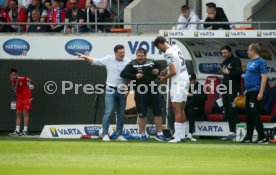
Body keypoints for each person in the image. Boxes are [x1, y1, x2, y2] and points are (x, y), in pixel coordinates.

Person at [76, 44, 131, 142]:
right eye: (120, 52)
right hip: (110, 89)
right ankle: (105, 134)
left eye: (123, 52)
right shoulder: (108, 59)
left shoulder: (128, 60)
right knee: (108, 113)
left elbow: (129, 76)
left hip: (122, 91)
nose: (123, 54)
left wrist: (128, 87)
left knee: (121, 114)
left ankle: (119, 135)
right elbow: (94, 61)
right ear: (115, 53)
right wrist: (85, 57)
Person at [120, 48, 169, 142]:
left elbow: (164, 68)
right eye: (138, 56)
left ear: (145, 55)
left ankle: (159, 134)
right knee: (141, 114)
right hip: (140, 92)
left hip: (153, 90)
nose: (139, 58)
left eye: (141, 56)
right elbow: (123, 74)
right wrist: (135, 76)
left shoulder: (152, 62)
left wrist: (157, 71)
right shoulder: (132, 63)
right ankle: (142, 134)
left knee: (158, 112)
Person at [154, 36, 189, 143]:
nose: (160, 50)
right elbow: (176, 64)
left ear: (160, 44)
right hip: (185, 78)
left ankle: (177, 137)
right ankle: (182, 135)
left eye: (158, 48)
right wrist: (165, 69)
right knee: (180, 108)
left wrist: (162, 79)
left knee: (176, 108)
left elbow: (173, 71)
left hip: (178, 81)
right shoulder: (175, 47)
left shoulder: (168, 53)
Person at [241, 43, 269, 144]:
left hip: (256, 91)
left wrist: (261, 92)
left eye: (248, 50)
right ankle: (248, 137)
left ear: (253, 51)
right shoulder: (249, 62)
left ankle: (262, 137)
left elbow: (264, 77)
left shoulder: (261, 61)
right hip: (249, 91)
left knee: (255, 114)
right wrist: (246, 89)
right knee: (248, 114)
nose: (247, 52)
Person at [219, 45, 242, 141]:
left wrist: (229, 73)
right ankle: (231, 132)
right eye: (222, 53)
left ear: (230, 52)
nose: (223, 55)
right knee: (227, 111)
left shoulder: (236, 61)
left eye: (225, 53)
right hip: (225, 90)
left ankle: (237, 133)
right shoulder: (224, 62)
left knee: (233, 110)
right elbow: (224, 77)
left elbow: (239, 72)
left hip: (233, 89)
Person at [8, 68, 34, 136]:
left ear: (17, 75)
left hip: (27, 97)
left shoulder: (23, 78)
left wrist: (30, 84)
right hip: (19, 98)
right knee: (18, 113)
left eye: (14, 75)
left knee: (25, 112)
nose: (12, 76)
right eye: (11, 75)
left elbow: (31, 80)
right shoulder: (11, 80)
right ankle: (17, 130)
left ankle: (25, 131)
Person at [185, 73, 207, 141]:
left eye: (191, 80)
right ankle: (177, 132)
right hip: (188, 106)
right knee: (179, 110)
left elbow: (204, 97)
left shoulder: (200, 87)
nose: (190, 82)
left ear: (195, 80)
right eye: (189, 80)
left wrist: (193, 95)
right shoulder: (186, 87)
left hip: (199, 108)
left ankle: (190, 134)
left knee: (192, 111)